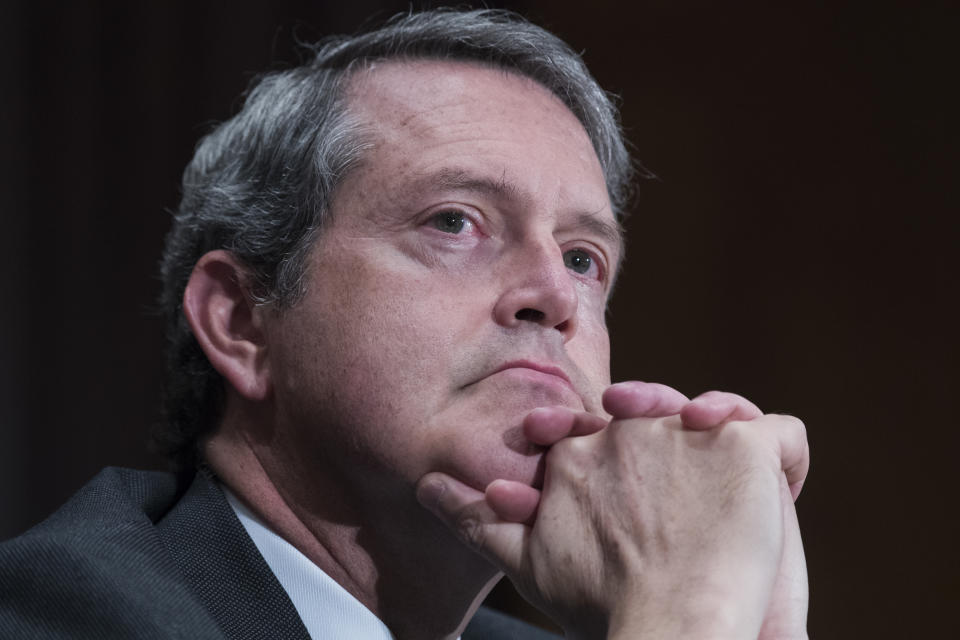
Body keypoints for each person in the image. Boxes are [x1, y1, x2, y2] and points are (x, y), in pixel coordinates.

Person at [0, 9, 809, 640]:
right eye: (455, 222)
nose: (551, 296)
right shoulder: (65, 612)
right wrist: (689, 606)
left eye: (582, 258)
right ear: (243, 321)